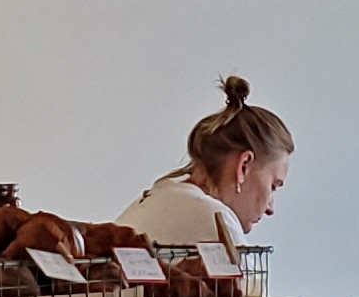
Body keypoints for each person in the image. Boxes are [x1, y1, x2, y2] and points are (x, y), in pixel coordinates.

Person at [118, 75, 293, 251]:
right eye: (273, 186)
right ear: (243, 166)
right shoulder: (214, 218)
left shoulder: (158, 196)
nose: (270, 208)